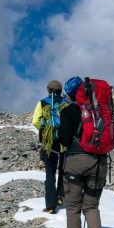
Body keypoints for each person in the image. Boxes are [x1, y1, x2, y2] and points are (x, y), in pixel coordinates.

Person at [56, 76, 109, 228]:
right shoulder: (99, 111)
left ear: (69, 94)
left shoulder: (69, 111)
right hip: (100, 162)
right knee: (91, 206)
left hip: (76, 163)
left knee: (73, 207)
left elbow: (63, 140)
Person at [32, 80, 67, 214]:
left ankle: (51, 206)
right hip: (63, 140)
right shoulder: (65, 103)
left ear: (48, 89)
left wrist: (45, 131)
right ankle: (60, 195)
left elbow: (35, 121)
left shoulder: (42, 103)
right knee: (63, 168)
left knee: (50, 172)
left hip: (49, 141)